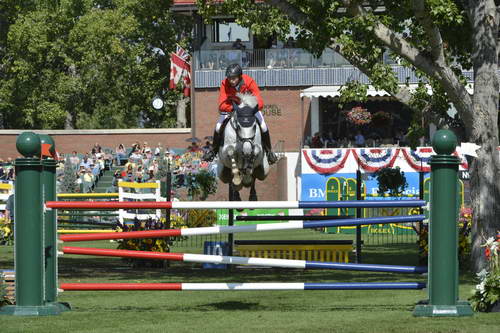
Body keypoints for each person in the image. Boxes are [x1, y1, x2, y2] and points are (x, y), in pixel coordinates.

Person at [202, 63, 278, 164]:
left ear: (240, 76)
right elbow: (221, 104)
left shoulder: (249, 81)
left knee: (263, 125)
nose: (231, 81)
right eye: (229, 78)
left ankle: (269, 152)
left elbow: (259, 100)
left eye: (234, 78)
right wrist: (233, 108)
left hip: (249, 110)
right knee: (218, 126)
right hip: (232, 109)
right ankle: (213, 151)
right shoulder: (225, 84)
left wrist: (249, 108)